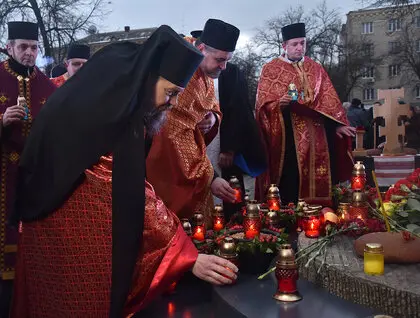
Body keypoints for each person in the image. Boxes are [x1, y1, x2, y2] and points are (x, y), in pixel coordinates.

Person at [11, 25, 238, 318]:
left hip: (62, 218)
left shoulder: (120, 95)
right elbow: (121, 184)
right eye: (170, 93)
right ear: (149, 77)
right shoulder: (110, 111)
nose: (171, 103)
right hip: (65, 231)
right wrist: (185, 254)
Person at [146, 19, 240, 223]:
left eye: (228, 60)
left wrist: (213, 119)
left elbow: (211, 106)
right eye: (220, 60)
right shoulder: (180, 70)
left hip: (194, 159)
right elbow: (174, 135)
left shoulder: (203, 66)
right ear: (202, 48)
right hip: (168, 168)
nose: (224, 67)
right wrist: (210, 178)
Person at [255, 23, 355, 206]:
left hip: (319, 136)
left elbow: (328, 101)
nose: (299, 47)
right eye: (295, 44)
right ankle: (291, 214)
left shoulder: (315, 68)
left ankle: (322, 212)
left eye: (303, 43)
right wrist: (278, 104)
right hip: (288, 139)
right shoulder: (271, 69)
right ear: (284, 46)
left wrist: (337, 125)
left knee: (323, 173)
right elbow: (263, 105)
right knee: (291, 178)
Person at [0, 21, 56, 316]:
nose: (29, 53)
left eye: (34, 48)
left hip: (33, 181)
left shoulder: (48, 86)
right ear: (9, 48)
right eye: (22, 47)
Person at [209, 61, 267, 219]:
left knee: (229, 194)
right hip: (199, 144)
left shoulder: (231, 72)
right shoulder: (192, 71)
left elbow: (239, 109)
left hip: (223, 144)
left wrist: (229, 148)